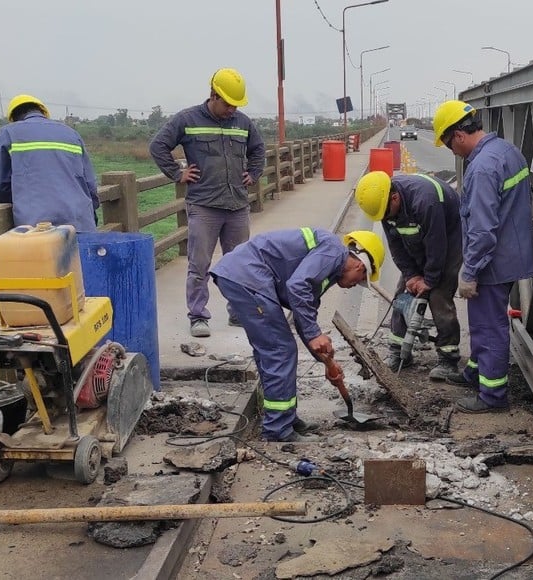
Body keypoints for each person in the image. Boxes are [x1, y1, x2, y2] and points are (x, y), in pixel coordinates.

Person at [210, 228, 385, 443]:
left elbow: (305, 311)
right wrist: (314, 335)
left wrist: (326, 361)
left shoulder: (329, 268)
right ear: (359, 265)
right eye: (359, 280)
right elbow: (297, 286)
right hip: (246, 277)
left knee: (274, 349)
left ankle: (285, 418)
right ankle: (277, 430)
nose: (353, 286)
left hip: (243, 276)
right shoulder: (333, 251)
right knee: (280, 350)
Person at [433, 100, 533, 414]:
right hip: (510, 252)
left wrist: (470, 271)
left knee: (489, 327)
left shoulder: (482, 168)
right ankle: (476, 372)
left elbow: (482, 228)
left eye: (450, 145)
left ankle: (492, 396)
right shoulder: (506, 150)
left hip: (492, 260)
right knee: (482, 324)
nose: (453, 151)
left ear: (458, 135)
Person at [149, 68, 266, 339]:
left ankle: (239, 312)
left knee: (239, 263)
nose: (231, 109)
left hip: (237, 205)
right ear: (213, 95)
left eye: (236, 104)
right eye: (227, 104)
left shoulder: (243, 123)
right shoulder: (187, 119)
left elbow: (258, 149)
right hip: (204, 206)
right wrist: (178, 173)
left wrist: (255, 172)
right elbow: (158, 145)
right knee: (199, 264)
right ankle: (198, 315)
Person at [355, 170, 462, 379]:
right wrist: (411, 275)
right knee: (403, 295)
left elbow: (437, 245)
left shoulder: (425, 201)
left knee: (439, 295)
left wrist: (429, 280)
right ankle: (398, 351)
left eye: (387, 214)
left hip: (447, 239)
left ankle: (448, 359)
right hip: (417, 237)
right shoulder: (385, 206)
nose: (385, 219)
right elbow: (396, 246)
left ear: (395, 197)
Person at [0, 94, 99, 232]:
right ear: (43, 112)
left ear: (13, 118)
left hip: (37, 228)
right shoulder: (71, 134)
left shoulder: (8, 133)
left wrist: (19, 201)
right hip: (80, 224)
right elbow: (90, 184)